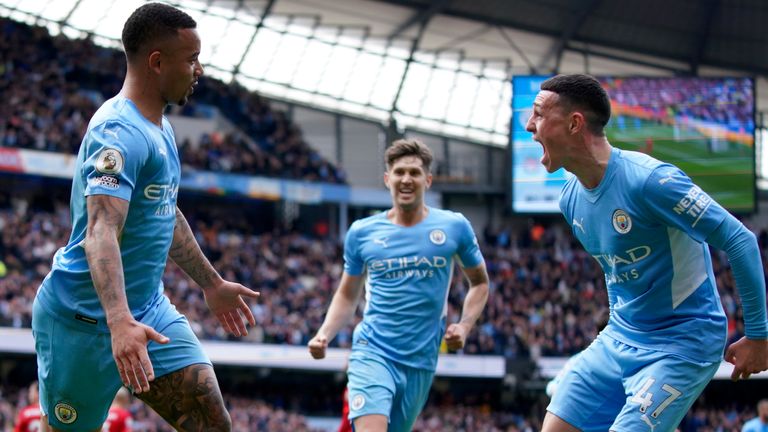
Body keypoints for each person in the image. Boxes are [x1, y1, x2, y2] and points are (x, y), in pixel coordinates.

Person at [32, 3, 259, 431]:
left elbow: (164, 213)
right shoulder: (118, 133)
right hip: (84, 321)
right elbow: (101, 231)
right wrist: (118, 322)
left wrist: (211, 284)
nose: (200, 70)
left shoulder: (160, 128)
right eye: (191, 59)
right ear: (157, 62)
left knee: (213, 422)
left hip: (149, 312)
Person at [525, 73, 768, 432]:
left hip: (683, 342)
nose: (530, 125)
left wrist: (760, 336)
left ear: (575, 123)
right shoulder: (571, 200)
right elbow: (614, 272)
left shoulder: (651, 182)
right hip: (620, 337)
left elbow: (741, 240)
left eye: (539, 114)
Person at [307, 138, 490, 432]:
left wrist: (465, 325)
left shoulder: (454, 227)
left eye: (415, 173)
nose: (407, 179)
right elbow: (347, 293)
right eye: (400, 172)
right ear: (387, 179)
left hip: (421, 360)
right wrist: (325, 333)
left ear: (428, 180)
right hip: (372, 350)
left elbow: (480, 283)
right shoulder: (362, 233)